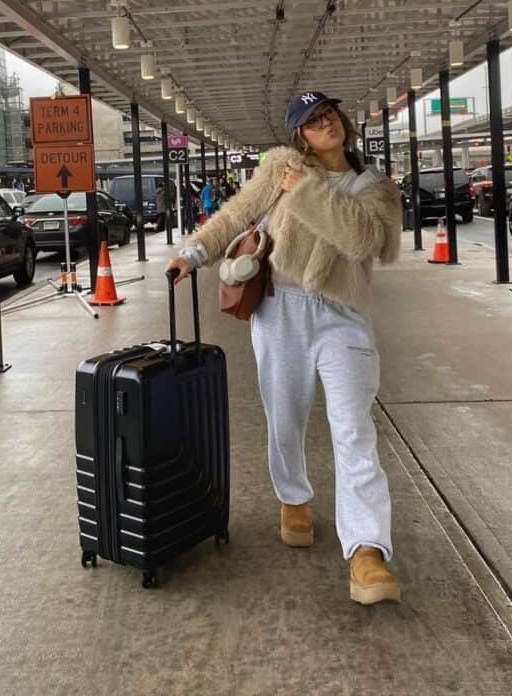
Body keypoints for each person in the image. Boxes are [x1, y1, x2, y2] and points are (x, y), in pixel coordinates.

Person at [166, 92, 403, 605]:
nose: (326, 124)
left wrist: (311, 191)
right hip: (281, 309)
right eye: (314, 121)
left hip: (342, 315)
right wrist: (193, 252)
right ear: (301, 135)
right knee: (285, 415)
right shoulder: (279, 169)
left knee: (354, 429)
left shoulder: (375, 187)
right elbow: (237, 214)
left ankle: (366, 551)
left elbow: (365, 242)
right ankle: (292, 496)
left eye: (330, 115)